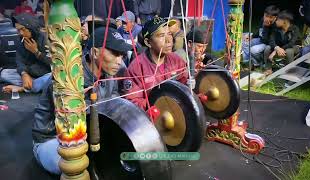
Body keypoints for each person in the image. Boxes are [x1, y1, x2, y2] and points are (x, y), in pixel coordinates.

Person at [32, 27, 132, 175]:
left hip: (89, 133)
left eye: (122, 55)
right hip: (54, 138)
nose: (120, 61)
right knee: (75, 166)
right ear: (95, 52)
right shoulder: (67, 79)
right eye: (115, 54)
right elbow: (67, 123)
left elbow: (113, 101)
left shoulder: (110, 71)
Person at [123, 17, 188, 110]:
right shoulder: (136, 68)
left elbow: (185, 85)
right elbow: (132, 102)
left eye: (169, 34)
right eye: (161, 35)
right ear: (148, 42)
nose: (169, 40)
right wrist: (159, 104)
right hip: (151, 119)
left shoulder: (176, 60)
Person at [1, 13, 51, 93]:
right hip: (30, 73)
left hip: (45, 73)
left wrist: (36, 52)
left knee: (52, 78)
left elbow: (53, 64)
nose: (20, 33)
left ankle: (23, 88)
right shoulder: (22, 39)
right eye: (18, 30)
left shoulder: (45, 39)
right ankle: (31, 85)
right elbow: (19, 59)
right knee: (4, 73)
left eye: (23, 29)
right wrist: (24, 73)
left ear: (31, 27)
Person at [263, 10, 300, 75]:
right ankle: (268, 69)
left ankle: (290, 71)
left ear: (284, 22)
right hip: (279, 47)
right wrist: (276, 48)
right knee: (267, 48)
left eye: (278, 20)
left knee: (289, 51)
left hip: (294, 47)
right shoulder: (276, 28)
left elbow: (291, 43)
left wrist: (275, 51)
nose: (276, 21)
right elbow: (271, 40)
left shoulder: (295, 29)